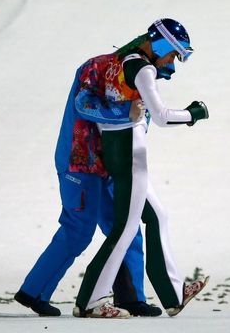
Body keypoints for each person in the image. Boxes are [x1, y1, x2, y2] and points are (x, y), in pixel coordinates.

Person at [73, 18, 209, 318]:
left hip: (119, 148)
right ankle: (90, 301)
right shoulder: (144, 69)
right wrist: (193, 113)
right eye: (173, 53)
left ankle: (172, 294)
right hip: (129, 152)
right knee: (124, 230)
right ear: (160, 44)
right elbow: (160, 116)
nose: (172, 62)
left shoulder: (121, 61)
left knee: (157, 216)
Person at [14, 48, 162, 317]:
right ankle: (33, 292)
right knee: (79, 229)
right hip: (79, 162)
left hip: (109, 167)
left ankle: (132, 298)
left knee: (126, 229)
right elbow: (83, 104)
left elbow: (143, 119)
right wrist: (124, 112)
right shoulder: (98, 67)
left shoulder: (142, 80)